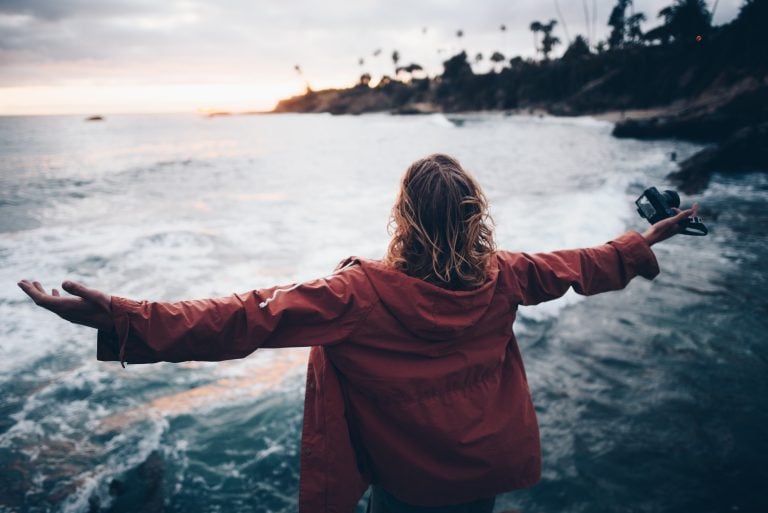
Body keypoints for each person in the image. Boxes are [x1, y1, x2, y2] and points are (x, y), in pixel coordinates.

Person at [18, 154, 699, 513]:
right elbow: (581, 264)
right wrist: (646, 239)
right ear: (473, 219)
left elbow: (240, 317)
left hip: (410, 483)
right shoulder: (505, 275)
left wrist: (121, 317)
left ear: (402, 218)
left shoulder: (357, 295)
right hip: (486, 467)